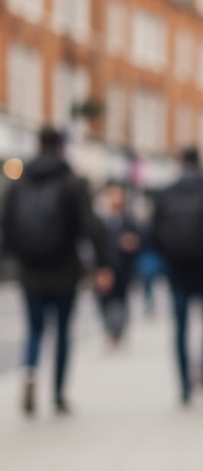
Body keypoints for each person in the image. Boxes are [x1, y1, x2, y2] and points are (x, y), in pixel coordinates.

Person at [1, 126, 111, 415]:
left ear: (37, 145)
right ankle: (59, 395)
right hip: (65, 270)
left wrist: (15, 259)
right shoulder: (71, 182)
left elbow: (7, 227)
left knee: (34, 329)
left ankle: (30, 372)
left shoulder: (19, 183)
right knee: (62, 331)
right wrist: (102, 265)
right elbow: (90, 227)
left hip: (30, 271)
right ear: (61, 147)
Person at [152, 146, 203, 404]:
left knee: (180, 326)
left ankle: (185, 386)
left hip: (178, 271)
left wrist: (168, 261)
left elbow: (154, 232)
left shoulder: (166, 192)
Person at [95, 182, 141, 345]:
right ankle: (111, 332)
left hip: (123, 268)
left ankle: (119, 332)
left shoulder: (129, 220)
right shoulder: (101, 220)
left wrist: (132, 244)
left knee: (121, 301)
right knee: (104, 302)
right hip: (105, 267)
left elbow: (140, 241)